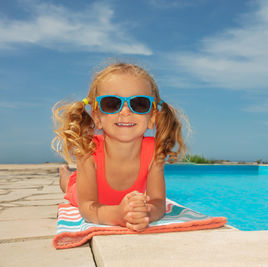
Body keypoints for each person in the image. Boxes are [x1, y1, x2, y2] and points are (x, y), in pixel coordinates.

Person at [52, 62, 186, 232]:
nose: (125, 111)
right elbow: (87, 207)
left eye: (139, 104)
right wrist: (117, 214)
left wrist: (147, 212)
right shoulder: (88, 151)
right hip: (83, 191)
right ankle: (65, 174)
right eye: (111, 104)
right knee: (71, 187)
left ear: (152, 117)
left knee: (74, 181)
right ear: (97, 118)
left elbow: (158, 201)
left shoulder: (154, 152)